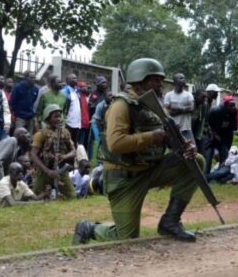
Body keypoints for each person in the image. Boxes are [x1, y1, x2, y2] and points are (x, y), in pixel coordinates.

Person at [73, 58, 205, 245]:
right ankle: (88, 228)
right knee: (126, 238)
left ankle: (170, 221)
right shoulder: (121, 105)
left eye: (160, 79)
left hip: (150, 169)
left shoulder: (154, 105)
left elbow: (169, 135)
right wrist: (152, 137)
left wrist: (185, 147)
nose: (160, 84)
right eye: (154, 79)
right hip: (124, 178)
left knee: (195, 161)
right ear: (138, 80)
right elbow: (116, 143)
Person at [31, 104, 76, 199]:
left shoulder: (65, 132)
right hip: (44, 170)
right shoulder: (41, 134)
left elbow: (73, 151)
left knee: (72, 196)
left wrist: (64, 157)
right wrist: (48, 171)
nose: (58, 119)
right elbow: (34, 155)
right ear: (48, 118)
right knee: (35, 197)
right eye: (55, 116)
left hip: (61, 170)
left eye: (60, 116)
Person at [205, 95, 238, 173]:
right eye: (231, 105)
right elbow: (207, 125)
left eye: (234, 105)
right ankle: (205, 175)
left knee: (225, 156)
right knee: (209, 155)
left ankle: (218, 175)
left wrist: (227, 142)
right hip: (211, 137)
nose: (233, 107)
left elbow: (232, 127)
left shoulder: (233, 112)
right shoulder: (215, 111)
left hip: (223, 137)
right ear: (226, 105)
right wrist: (214, 135)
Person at [163, 73, 194, 140]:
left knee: (192, 148)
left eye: (184, 78)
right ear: (175, 81)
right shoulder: (168, 95)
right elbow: (166, 112)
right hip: (173, 129)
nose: (183, 80)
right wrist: (185, 109)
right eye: (181, 78)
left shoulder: (188, 95)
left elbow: (191, 108)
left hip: (186, 128)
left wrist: (178, 109)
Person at [61, 74, 82, 142]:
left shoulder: (76, 91)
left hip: (77, 123)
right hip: (68, 123)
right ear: (67, 81)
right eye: (73, 78)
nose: (76, 80)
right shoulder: (64, 91)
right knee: (67, 142)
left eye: (76, 78)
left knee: (74, 142)